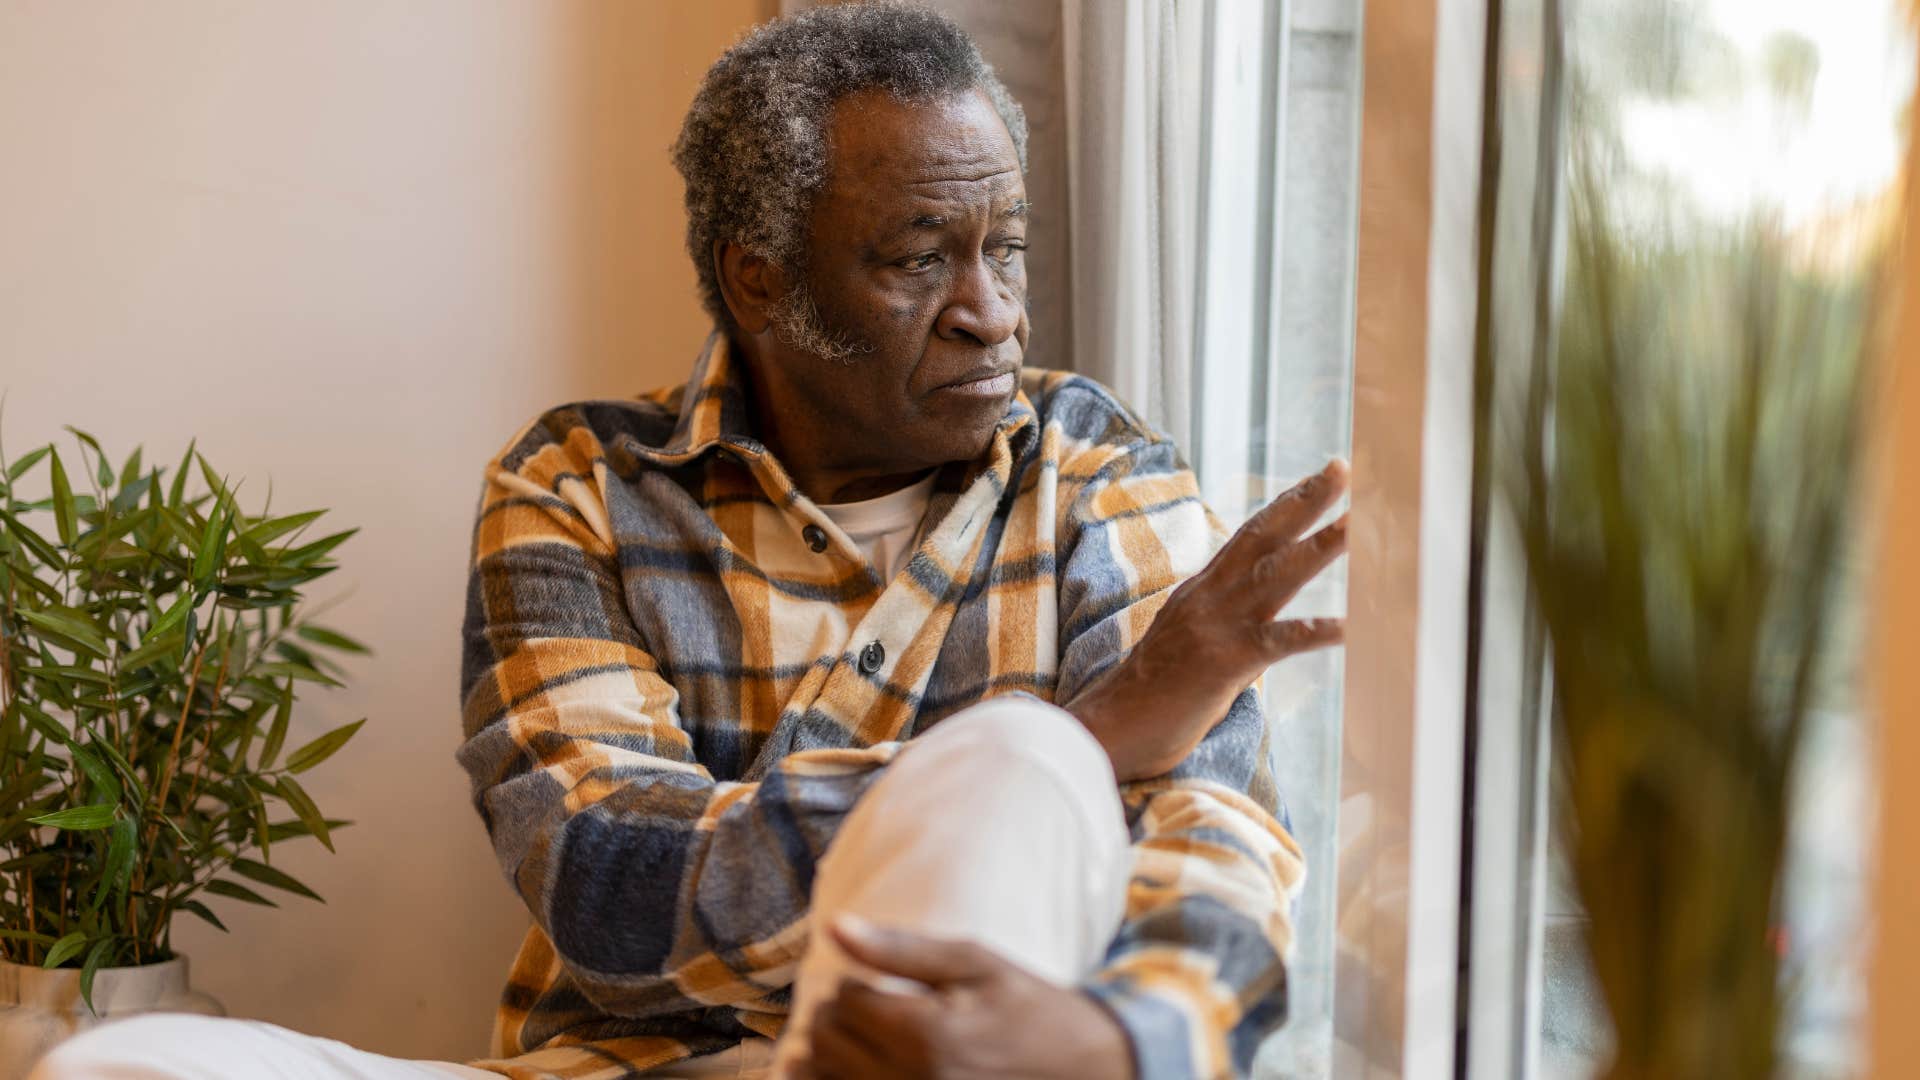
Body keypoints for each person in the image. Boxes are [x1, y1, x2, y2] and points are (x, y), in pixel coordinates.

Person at [32, 4, 1346, 1078]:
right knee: (123, 1061)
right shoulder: (578, 486)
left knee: (1015, 757)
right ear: (758, 276)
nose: (991, 311)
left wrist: (1119, 1044)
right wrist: (1101, 730)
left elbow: (1211, 831)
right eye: (919, 260)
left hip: (953, 1059)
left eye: (1003, 249)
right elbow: (602, 882)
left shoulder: (1094, 464)